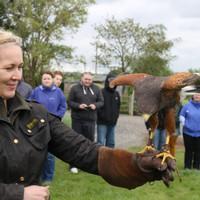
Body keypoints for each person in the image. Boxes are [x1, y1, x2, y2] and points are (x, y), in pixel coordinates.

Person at [0, 29, 175, 199]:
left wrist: (138, 165)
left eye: (20, 67)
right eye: (9, 68)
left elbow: (82, 150)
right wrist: (17, 195)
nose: (17, 76)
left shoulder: (35, 114)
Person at [29, 71, 67, 184]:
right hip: (37, 124)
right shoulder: (36, 91)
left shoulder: (58, 92)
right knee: (37, 151)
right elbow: (29, 104)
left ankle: (48, 178)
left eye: (48, 79)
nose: (46, 80)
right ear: (41, 80)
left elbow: (63, 106)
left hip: (52, 124)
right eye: (44, 78)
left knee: (50, 153)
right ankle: (37, 176)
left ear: (52, 80)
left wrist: (57, 117)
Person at [68, 72, 104, 173]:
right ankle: (73, 165)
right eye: (86, 79)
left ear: (92, 80)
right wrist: (78, 106)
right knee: (76, 142)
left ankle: (87, 164)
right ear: (82, 78)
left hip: (91, 119)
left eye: (89, 79)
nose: (87, 81)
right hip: (77, 119)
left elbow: (101, 101)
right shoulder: (74, 88)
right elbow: (69, 102)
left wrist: (95, 105)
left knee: (89, 142)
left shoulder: (97, 89)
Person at [97, 72, 120, 148]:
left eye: (114, 80)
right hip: (102, 123)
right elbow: (98, 106)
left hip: (112, 123)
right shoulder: (101, 92)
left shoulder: (117, 94)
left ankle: (110, 159)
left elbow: (118, 108)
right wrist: (102, 116)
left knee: (111, 143)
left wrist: (116, 118)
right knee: (100, 143)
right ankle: (99, 159)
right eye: (111, 79)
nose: (112, 81)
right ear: (107, 80)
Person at [179, 93, 200, 169]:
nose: (198, 96)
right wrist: (185, 125)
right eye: (196, 95)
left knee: (198, 151)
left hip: (199, 133)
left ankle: (197, 167)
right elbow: (181, 116)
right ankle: (187, 166)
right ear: (193, 97)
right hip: (188, 133)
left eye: (199, 95)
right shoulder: (187, 106)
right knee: (189, 150)